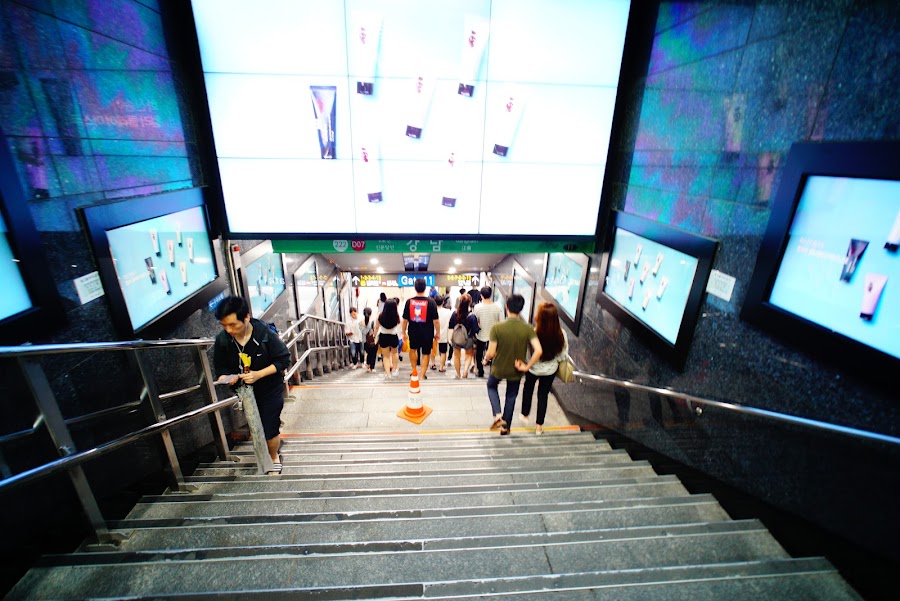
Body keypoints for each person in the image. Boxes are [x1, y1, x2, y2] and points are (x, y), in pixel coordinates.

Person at [213, 296, 290, 474]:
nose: (229, 330)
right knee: (257, 425)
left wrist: (258, 374)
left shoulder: (264, 335)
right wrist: (228, 377)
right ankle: (265, 450)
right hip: (245, 391)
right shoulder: (223, 340)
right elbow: (221, 368)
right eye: (224, 325)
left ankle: (273, 457)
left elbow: (283, 359)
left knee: (269, 425)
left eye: (233, 325)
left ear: (246, 317)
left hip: (269, 387)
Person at [482, 294, 542, 435]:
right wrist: (527, 367)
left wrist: (485, 359)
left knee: (491, 386)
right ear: (521, 309)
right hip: (517, 369)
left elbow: (491, 353)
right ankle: (505, 427)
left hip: (499, 368)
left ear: (506, 307)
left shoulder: (497, 328)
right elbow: (538, 350)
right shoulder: (527, 328)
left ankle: (498, 415)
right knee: (511, 396)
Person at [521, 302, 568, 435]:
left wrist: (527, 364)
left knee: (528, 389)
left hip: (533, 369)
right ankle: (539, 427)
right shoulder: (561, 334)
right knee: (543, 395)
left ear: (540, 317)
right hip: (550, 371)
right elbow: (563, 354)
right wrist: (553, 362)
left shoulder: (534, 333)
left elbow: (527, 354)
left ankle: (525, 414)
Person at [401, 278, 441, 378]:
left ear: (415, 288)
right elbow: (436, 320)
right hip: (427, 332)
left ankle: (414, 371)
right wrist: (438, 333)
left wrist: (403, 332)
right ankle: (422, 375)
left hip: (413, 331)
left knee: (413, 350)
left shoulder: (409, 302)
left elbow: (405, 320)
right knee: (426, 353)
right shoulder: (431, 302)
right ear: (425, 288)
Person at [473, 285, 504, 378]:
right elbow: (501, 322)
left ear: (481, 295)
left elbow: (476, 321)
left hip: (481, 335)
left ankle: (480, 371)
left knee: (479, 354)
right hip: (494, 336)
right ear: (490, 295)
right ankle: (493, 372)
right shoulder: (498, 307)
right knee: (493, 353)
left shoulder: (477, 307)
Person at [449, 293, 479, 378]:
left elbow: (451, 325)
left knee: (456, 355)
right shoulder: (472, 316)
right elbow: (475, 329)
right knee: (468, 355)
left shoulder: (455, 314)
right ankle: (465, 372)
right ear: (469, 303)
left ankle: (458, 374)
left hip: (456, 338)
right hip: (468, 339)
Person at [375, 298, 401, 378]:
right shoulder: (396, 316)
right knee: (395, 353)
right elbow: (399, 323)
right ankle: (394, 371)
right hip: (393, 336)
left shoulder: (380, 315)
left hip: (383, 336)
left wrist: (374, 335)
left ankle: (388, 374)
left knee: (385, 356)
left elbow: (376, 327)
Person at [436, 295, 453, 373]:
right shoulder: (448, 312)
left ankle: (432, 364)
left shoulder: (433, 311)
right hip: (444, 335)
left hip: (434, 334)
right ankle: (441, 367)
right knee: (443, 352)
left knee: (431, 351)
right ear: (443, 302)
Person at [360, 307, 378, 373]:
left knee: (369, 353)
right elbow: (375, 330)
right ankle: (372, 367)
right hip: (373, 340)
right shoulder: (373, 321)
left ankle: (368, 366)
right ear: (371, 313)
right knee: (373, 354)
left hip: (364, 341)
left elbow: (362, 332)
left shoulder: (361, 322)